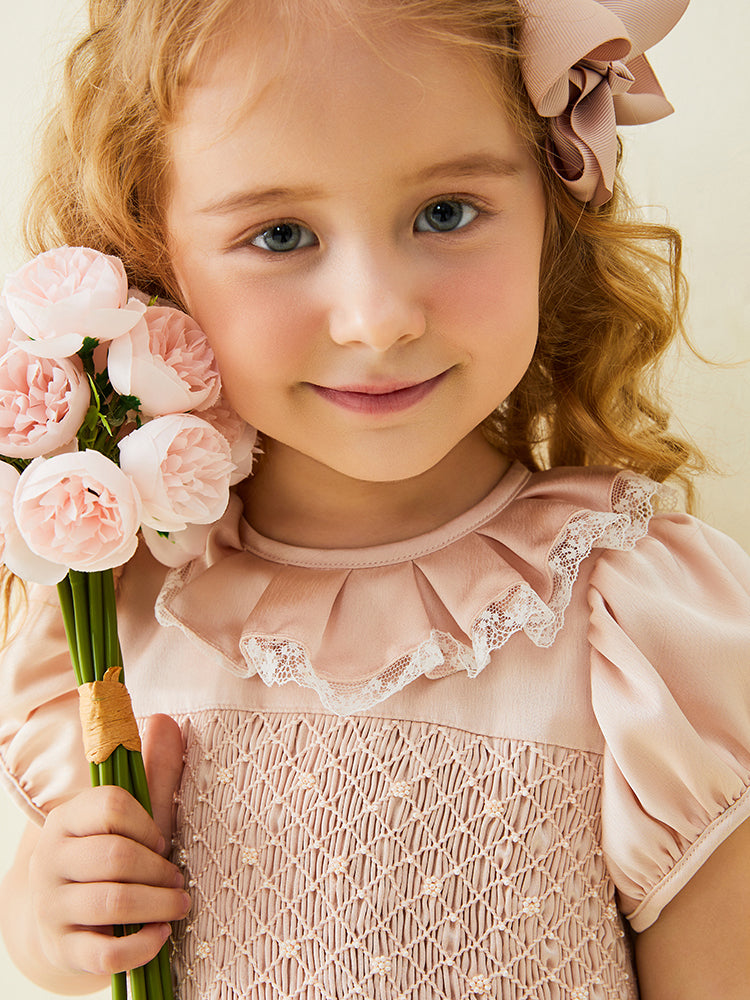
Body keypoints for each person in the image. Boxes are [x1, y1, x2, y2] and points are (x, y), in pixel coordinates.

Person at [1, 0, 749, 997]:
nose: (378, 316)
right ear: (153, 245)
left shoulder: (634, 619)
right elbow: (68, 929)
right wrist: (53, 919)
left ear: (550, 205)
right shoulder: (122, 598)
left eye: (445, 212)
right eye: (279, 233)